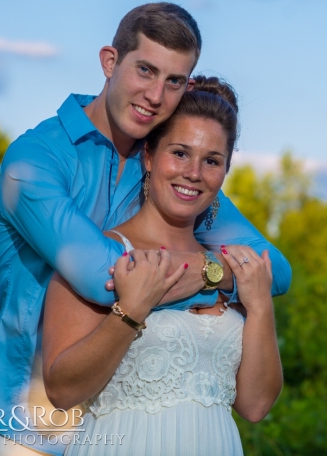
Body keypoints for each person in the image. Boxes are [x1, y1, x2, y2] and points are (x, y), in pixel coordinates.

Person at [0, 3, 290, 456]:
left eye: (175, 81)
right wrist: (224, 278)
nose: (156, 95)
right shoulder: (34, 161)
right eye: (145, 70)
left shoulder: (169, 166)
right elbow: (105, 277)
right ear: (109, 61)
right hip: (32, 432)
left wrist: (212, 274)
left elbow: (274, 268)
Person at [42, 78, 282, 455]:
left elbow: (255, 405)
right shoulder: (103, 253)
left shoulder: (228, 267)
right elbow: (61, 390)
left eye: (212, 161)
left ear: (224, 173)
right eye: (180, 153)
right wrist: (133, 308)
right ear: (150, 157)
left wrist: (260, 305)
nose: (194, 173)